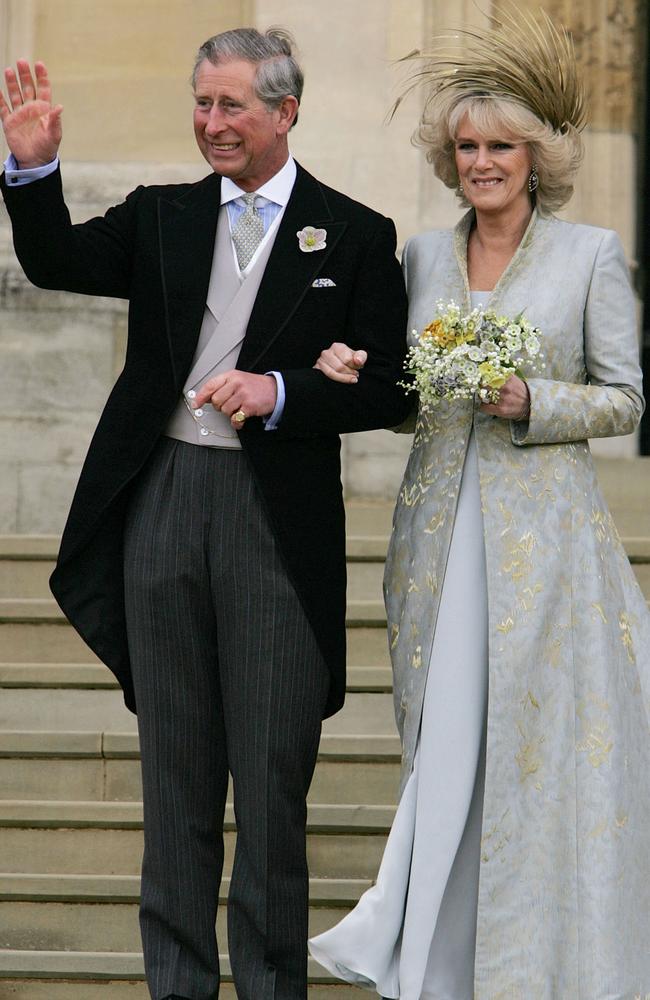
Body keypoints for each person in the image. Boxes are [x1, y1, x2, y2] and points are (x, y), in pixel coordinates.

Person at [0, 28, 411, 1000]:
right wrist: (31, 166)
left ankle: (270, 983)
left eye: (230, 106)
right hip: (163, 502)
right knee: (175, 774)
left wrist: (281, 392)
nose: (211, 123)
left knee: (270, 784)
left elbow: (389, 383)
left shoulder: (352, 232)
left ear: (284, 111)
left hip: (274, 521)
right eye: (199, 103)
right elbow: (54, 259)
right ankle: (176, 983)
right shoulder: (162, 216)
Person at [308, 8, 650, 998]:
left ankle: (530, 964)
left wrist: (529, 397)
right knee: (445, 744)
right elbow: (395, 387)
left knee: (528, 760)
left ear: (536, 156)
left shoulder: (588, 255)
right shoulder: (418, 258)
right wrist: (341, 368)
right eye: (465, 147)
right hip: (434, 537)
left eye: (500, 146)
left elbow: (626, 397)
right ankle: (430, 967)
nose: (482, 163)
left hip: (545, 554)